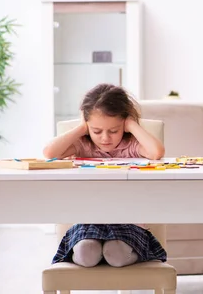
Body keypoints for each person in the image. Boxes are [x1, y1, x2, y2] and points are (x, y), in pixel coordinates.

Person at [43, 83, 167, 267]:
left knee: (115, 254)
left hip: (128, 223)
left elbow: (156, 152)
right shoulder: (83, 145)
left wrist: (132, 123)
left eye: (114, 130)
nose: (105, 138)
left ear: (124, 125)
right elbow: (49, 153)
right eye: (96, 131)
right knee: (86, 253)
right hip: (89, 221)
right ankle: (101, 255)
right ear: (87, 125)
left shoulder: (132, 146)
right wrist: (81, 128)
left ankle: (131, 254)